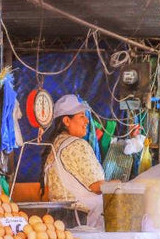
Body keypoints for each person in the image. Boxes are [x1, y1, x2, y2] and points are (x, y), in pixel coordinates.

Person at [41, 94, 109, 228]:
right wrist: (119, 186)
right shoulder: (77, 145)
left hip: (56, 218)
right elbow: (96, 186)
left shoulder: (54, 146)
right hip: (77, 219)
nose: (87, 121)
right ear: (66, 121)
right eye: (81, 116)